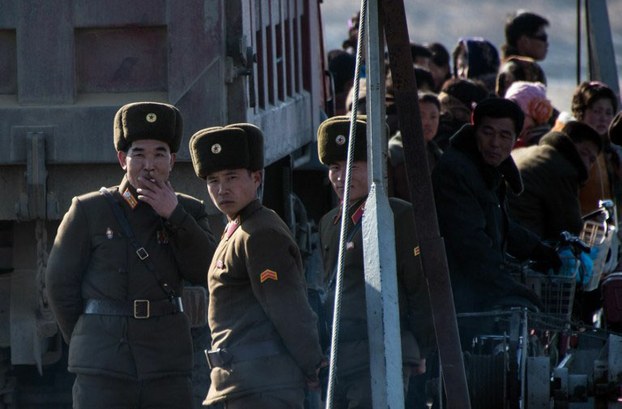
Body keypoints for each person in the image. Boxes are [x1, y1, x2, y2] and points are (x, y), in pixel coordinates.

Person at [46, 101, 216, 409]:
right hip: (103, 367)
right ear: (122, 159)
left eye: (159, 154)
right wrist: (90, 337)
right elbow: (59, 284)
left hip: (165, 366)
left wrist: (174, 215)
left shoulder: (189, 210)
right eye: (139, 154)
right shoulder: (89, 210)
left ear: (173, 160)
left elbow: (207, 272)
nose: (149, 164)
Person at [189, 123, 325, 409]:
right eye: (213, 180)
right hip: (245, 384)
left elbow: (288, 309)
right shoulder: (240, 228)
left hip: (263, 388)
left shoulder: (259, 233)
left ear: (256, 178)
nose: (221, 189)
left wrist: (313, 366)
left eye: (232, 177)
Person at [317, 115, 436, 409]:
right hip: (342, 356)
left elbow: (419, 286)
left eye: (353, 166)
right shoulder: (330, 223)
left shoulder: (397, 216)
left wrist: (423, 348)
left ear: (376, 167)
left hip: (384, 351)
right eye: (334, 168)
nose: (342, 176)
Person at [432, 97, 561, 316]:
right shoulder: (457, 170)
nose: (495, 143)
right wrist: (508, 286)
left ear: (516, 139)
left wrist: (538, 248)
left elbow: (499, 222)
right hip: (460, 298)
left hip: (478, 291)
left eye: (504, 135)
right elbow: (469, 241)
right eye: (487, 132)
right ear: (475, 130)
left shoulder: (489, 169)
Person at [509, 121, 602, 240]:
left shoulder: (532, 151)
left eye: (592, 160)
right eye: (584, 153)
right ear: (570, 144)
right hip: (516, 242)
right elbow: (569, 227)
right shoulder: (563, 169)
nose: (586, 163)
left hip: (497, 227)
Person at [571, 81, 621, 214]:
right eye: (597, 111)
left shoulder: (611, 152)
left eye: (608, 112)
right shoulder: (571, 148)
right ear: (581, 112)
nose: (603, 118)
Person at [504, 81, 554, 148]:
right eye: (507, 112)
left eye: (516, 114)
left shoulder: (538, 144)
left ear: (535, 115)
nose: (510, 118)